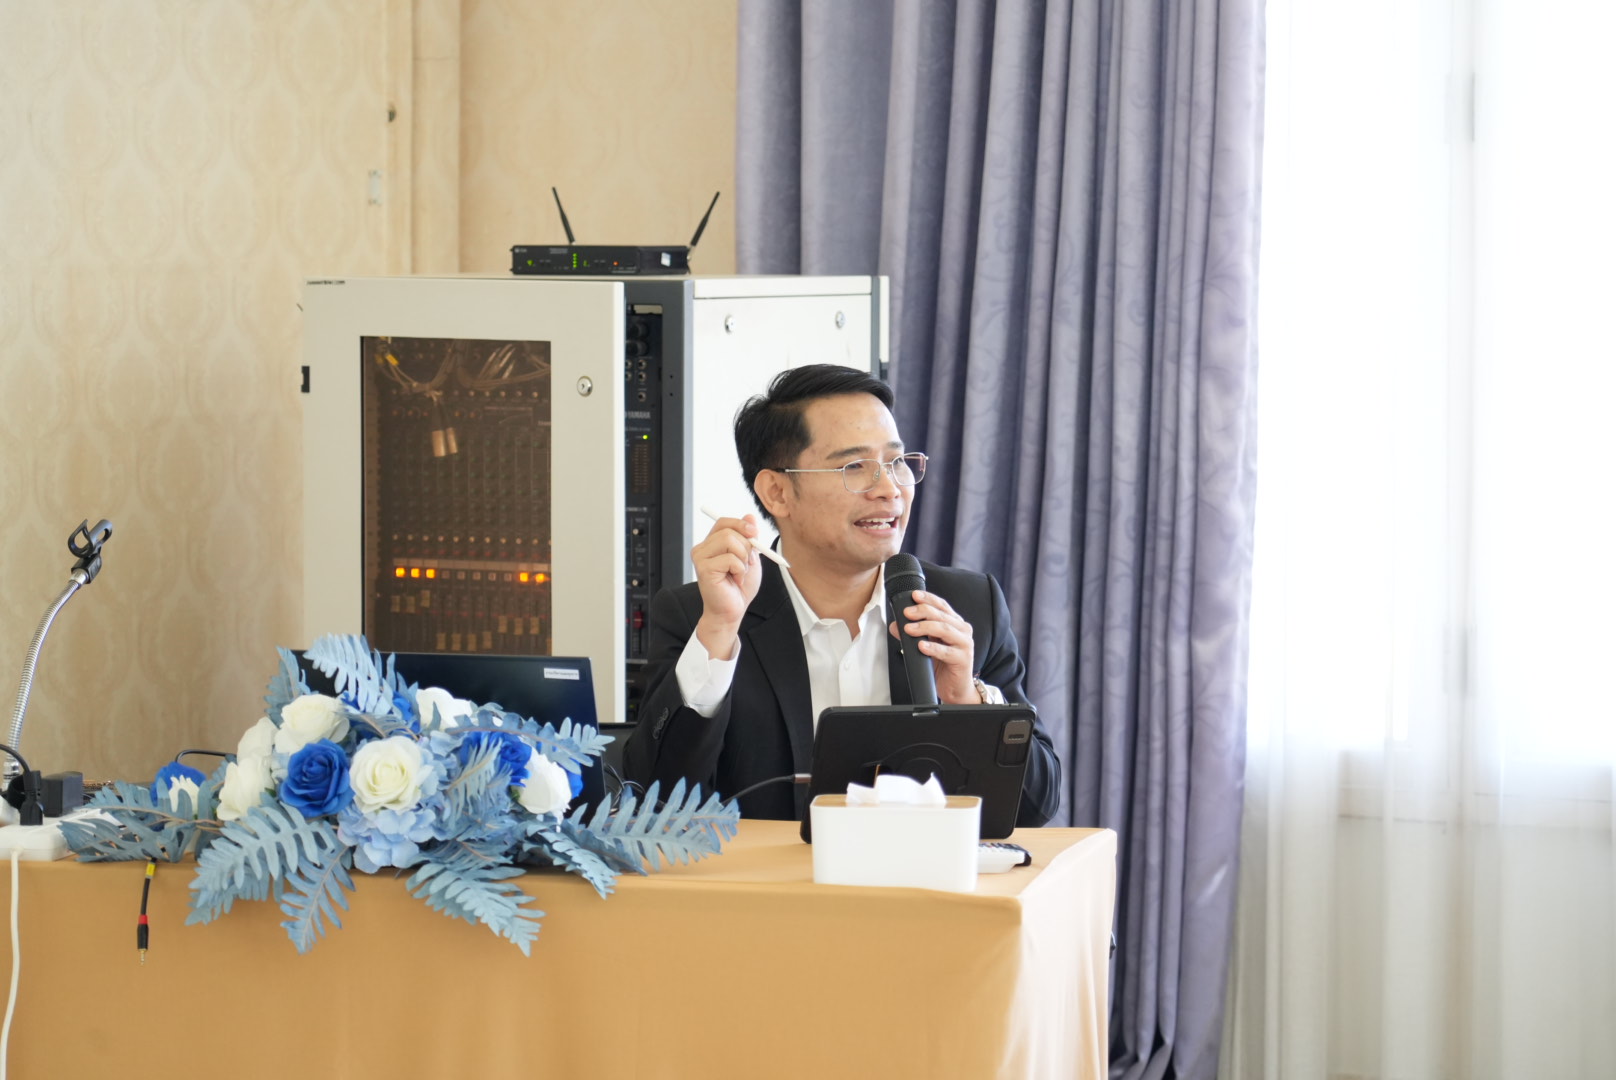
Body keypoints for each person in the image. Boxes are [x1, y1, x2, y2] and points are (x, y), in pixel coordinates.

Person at [622, 364, 1061, 823]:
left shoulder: (967, 604)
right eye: (855, 467)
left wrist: (967, 702)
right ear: (777, 492)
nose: (889, 489)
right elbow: (651, 802)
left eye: (897, 463)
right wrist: (718, 631)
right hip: (768, 872)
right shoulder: (703, 615)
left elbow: (1037, 807)